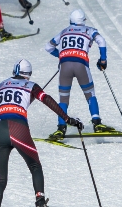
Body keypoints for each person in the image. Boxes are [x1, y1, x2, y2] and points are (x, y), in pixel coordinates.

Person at [0, 59, 83, 207]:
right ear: (28, 75)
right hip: (18, 127)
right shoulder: (31, 85)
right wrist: (67, 119)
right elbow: (47, 99)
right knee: (35, 165)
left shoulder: (2, 84)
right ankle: (40, 205)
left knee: (0, 177)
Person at [45, 9, 114, 137]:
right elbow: (101, 41)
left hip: (64, 66)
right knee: (90, 94)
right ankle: (97, 122)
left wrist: (61, 56)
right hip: (81, 64)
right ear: (83, 21)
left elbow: (48, 47)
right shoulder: (89, 30)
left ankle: (61, 128)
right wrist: (103, 60)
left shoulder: (64, 31)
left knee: (63, 98)